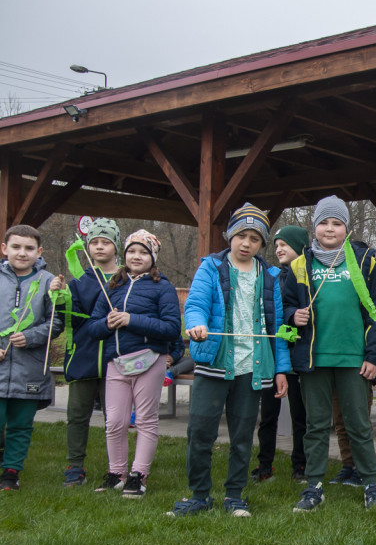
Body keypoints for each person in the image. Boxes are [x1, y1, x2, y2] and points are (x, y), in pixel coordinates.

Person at [167, 204, 291, 517]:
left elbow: (278, 329)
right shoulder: (210, 267)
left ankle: (234, 495)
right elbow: (195, 304)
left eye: (254, 238)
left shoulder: (271, 277)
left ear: (261, 243)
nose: (246, 243)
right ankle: (199, 495)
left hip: (252, 368)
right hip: (213, 365)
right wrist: (195, 324)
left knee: (241, 435)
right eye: (241, 235)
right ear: (230, 236)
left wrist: (281, 369)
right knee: (200, 431)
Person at [283, 195, 376, 511]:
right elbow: (287, 304)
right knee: (316, 425)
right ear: (314, 227)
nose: (330, 229)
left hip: (353, 359)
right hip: (314, 360)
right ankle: (313, 485)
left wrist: (373, 356)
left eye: (337, 223)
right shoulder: (299, 264)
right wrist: (293, 316)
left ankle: (371, 484)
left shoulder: (365, 261)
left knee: (358, 424)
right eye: (324, 222)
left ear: (346, 227)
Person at [86, 230, 180, 498]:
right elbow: (92, 328)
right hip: (116, 362)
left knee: (146, 420)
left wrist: (131, 320)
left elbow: (172, 328)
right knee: (114, 421)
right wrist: (107, 323)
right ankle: (116, 473)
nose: (137, 257)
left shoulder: (163, 286)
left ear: (153, 257)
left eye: (143, 252)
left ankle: (138, 476)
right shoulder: (112, 287)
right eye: (132, 251)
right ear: (124, 255)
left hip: (150, 361)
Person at [0, 225, 64, 491]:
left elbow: (57, 322)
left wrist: (33, 336)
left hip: (30, 369)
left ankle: (11, 473)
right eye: (16, 247)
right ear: (5, 249)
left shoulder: (50, 281)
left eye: (29, 248)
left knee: (20, 425)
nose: (22, 253)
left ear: (39, 252)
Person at [61, 218, 120, 487]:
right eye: (94, 242)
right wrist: (58, 297)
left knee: (115, 417)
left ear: (116, 246)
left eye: (105, 242)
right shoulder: (79, 282)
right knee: (77, 414)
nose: (99, 247)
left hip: (115, 359)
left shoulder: (126, 279)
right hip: (83, 357)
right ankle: (75, 466)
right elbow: (67, 318)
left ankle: (116, 467)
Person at [251, 225, 309, 484]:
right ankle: (265, 466)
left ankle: (301, 465)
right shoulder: (270, 276)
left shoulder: (307, 275)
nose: (279, 249)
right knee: (268, 415)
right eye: (276, 245)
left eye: (285, 244)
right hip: (272, 356)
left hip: (297, 357)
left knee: (300, 416)